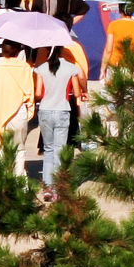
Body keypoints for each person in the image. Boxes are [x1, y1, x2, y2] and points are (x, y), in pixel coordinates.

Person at [35, 46, 85, 194]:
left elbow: (38, 93)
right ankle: (58, 187)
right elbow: (76, 92)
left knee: (48, 149)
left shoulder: (42, 68)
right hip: (62, 110)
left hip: (45, 110)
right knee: (59, 149)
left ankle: (47, 187)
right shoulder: (71, 68)